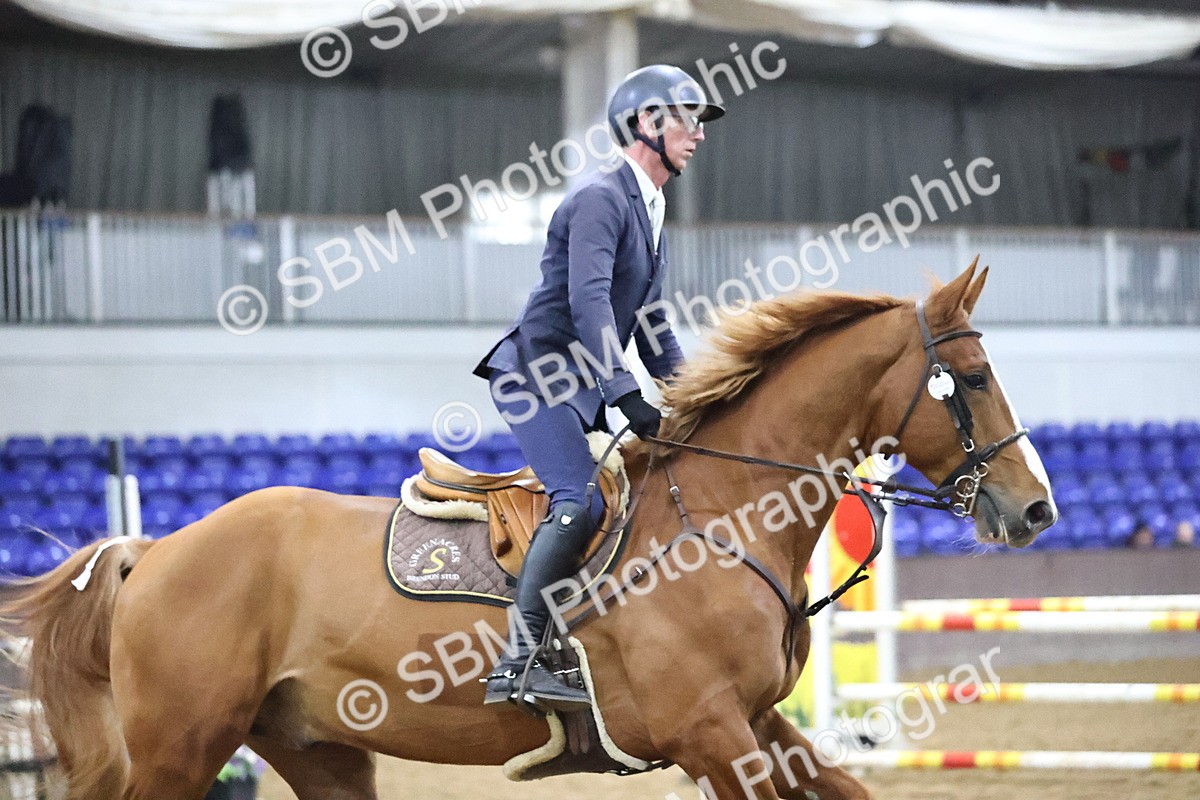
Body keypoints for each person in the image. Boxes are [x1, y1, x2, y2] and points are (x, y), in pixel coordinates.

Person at [472, 65, 724, 712]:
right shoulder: (600, 200)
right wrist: (624, 391)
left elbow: (652, 321)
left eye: (699, 122)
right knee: (577, 500)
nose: (698, 133)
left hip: (577, 387)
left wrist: (694, 396)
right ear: (646, 123)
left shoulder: (652, 210)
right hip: (535, 377)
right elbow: (589, 304)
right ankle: (517, 663)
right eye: (686, 119)